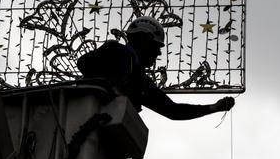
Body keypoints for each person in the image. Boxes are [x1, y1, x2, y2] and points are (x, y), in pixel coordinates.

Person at [76, 16, 235, 120]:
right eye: (156, 46)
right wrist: (111, 86)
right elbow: (84, 63)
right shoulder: (115, 50)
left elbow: (173, 111)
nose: (158, 53)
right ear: (144, 40)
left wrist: (213, 108)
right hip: (81, 122)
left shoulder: (141, 81)